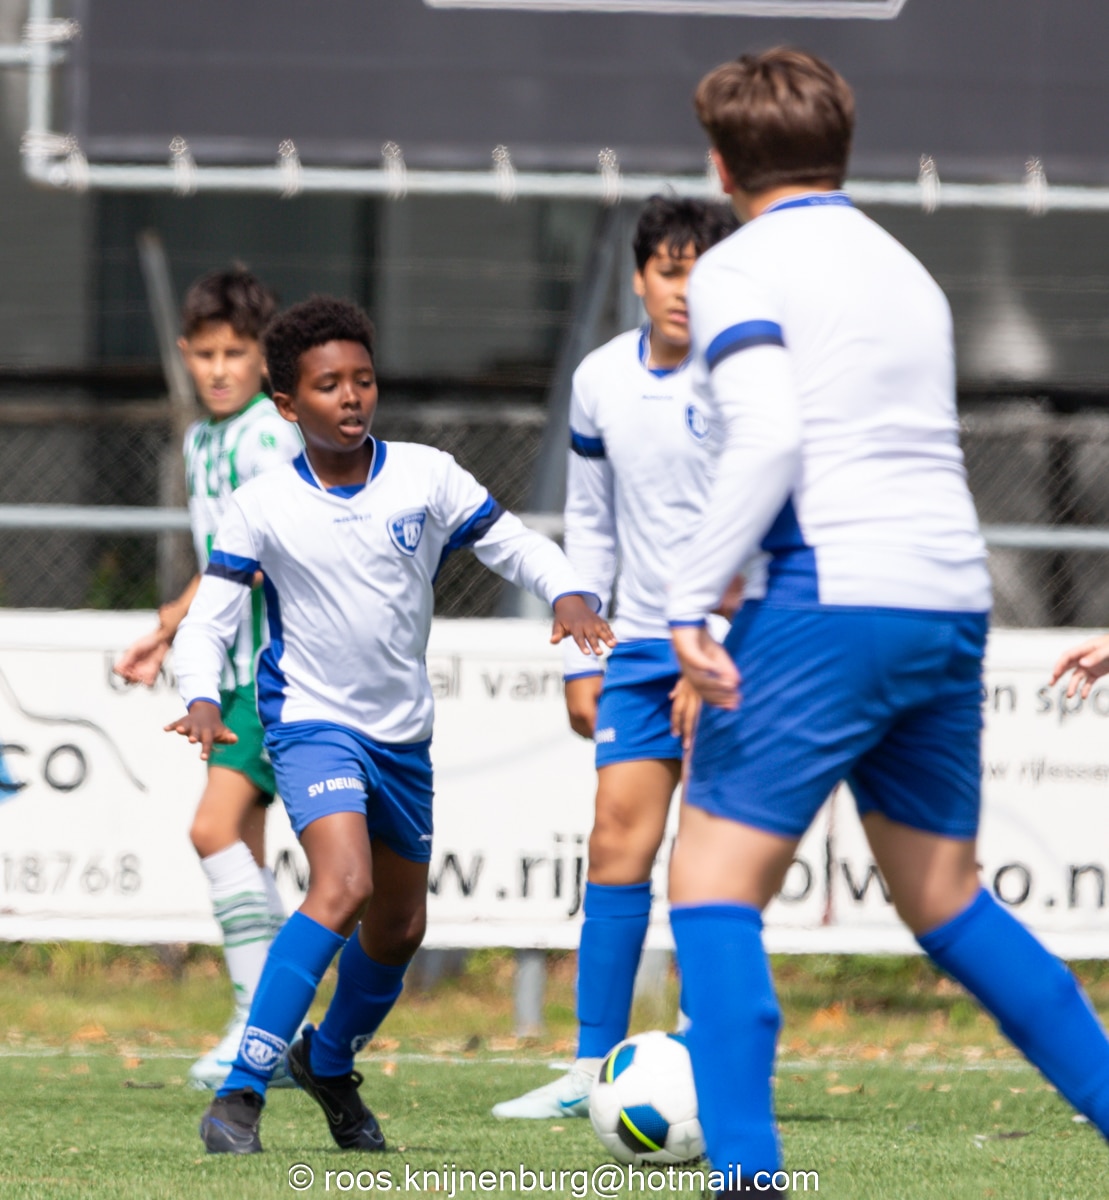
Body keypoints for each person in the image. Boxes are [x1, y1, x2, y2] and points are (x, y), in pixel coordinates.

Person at [664, 48, 1109, 1198]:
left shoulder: (737, 265)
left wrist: (688, 600)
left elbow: (769, 437)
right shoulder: (905, 269)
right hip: (945, 595)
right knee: (943, 898)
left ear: (720, 165)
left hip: (829, 592)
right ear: (841, 146)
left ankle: (746, 1178)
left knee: (709, 883)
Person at [167, 295, 614, 1154]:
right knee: (341, 886)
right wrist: (198, 696)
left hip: (401, 735)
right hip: (310, 723)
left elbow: (513, 542)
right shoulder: (262, 504)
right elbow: (209, 620)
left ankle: (327, 1061)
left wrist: (565, 590)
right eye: (327, 384)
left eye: (362, 379)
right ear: (286, 404)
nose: (351, 396)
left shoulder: (425, 475)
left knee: (401, 927)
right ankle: (239, 1094)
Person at [493, 196, 737, 1120]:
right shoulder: (599, 378)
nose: (684, 291)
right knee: (614, 840)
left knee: (709, 856)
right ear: (640, 278)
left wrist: (711, 647)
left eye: (702, 274)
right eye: (670, 271)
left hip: (730, 649)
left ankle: (709, 1058)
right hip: (635, 644)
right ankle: (590, 1068)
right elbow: (590, 522)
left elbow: (765, 530)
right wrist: (581, 655)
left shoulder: (747, 379)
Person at [113, 266, 302, 1090]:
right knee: (244, 849)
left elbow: (247, 557)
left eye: (235, 353)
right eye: (205, 353)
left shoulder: (268, 434)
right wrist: (177, 638)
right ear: (185, 353)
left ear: (263, 357)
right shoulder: (200, 441)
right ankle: (273, 1029)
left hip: (274, 670)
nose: (219, 369)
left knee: (212, 831)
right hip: (225, 674)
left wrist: (167, 622)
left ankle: (262, 1025)